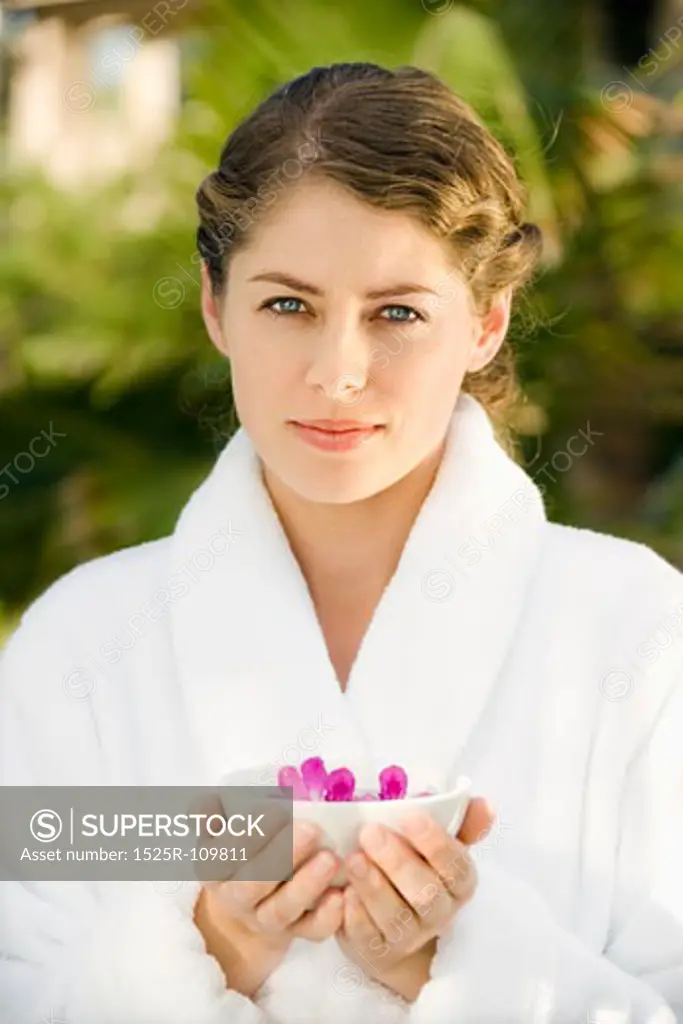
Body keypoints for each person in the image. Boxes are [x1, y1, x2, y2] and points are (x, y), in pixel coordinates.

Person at [1, 61, 682, 1024]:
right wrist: (217, 940)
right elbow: (21, 992)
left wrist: (454, 959)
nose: (337, 373)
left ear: (485, 323)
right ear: (213, 305)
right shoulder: (79, 648)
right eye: (288, 304)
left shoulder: (636, 630)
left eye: (397, 313)